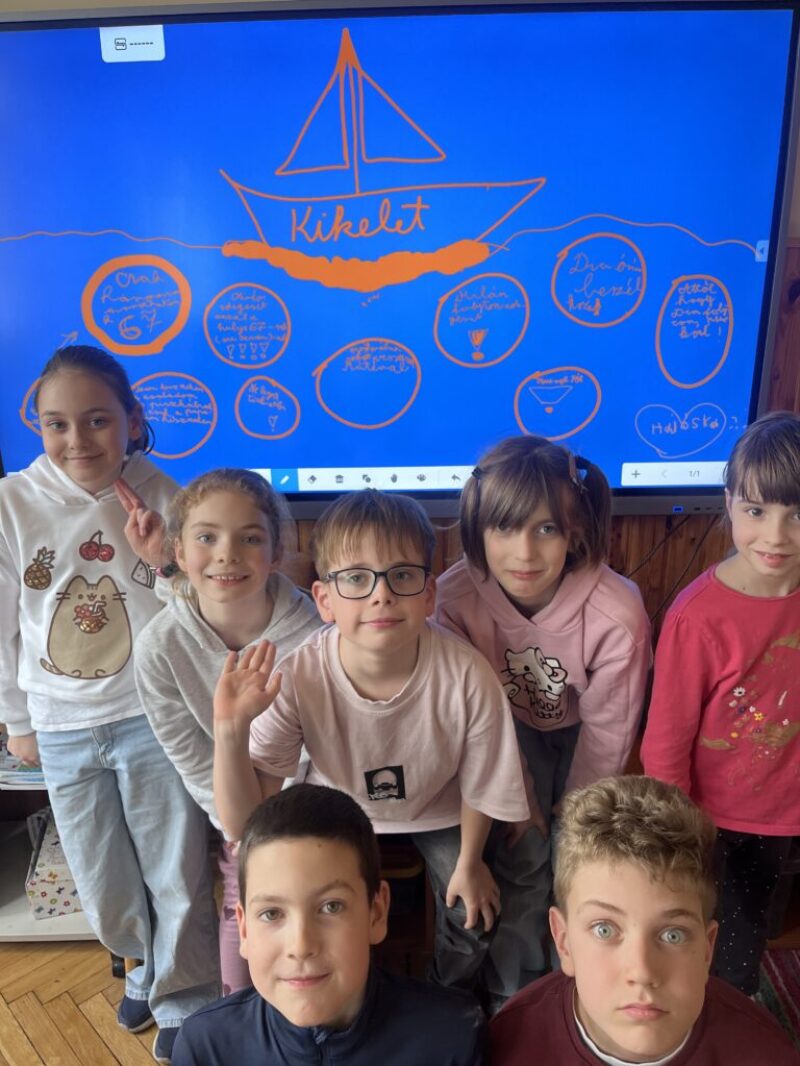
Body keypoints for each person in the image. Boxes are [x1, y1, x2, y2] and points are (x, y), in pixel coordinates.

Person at [213, 489, 539, 1012]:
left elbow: (483, 781)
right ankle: (338, 996)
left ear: (429, 594)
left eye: (401, 576)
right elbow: (243, 825)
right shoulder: (300, 674)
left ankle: (444, 996)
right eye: (356, 578)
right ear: (324, 600)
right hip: (335, 809)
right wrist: (230, 732)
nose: (381, 595)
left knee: (472, 911)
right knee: (311, 904)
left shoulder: (466, 674)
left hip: (440, 808)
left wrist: (471, 861)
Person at [0, 345, 220, 1064]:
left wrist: (164, 559)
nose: (78, 440)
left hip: (153, 716)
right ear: (38, 425)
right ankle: (141, 962)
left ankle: (185, 994)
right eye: (57, 424)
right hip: (60, 724)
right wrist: (17, 721)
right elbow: (3, 626)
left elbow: (199, 611)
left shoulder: (166, 496)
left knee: (174, 866)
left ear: (132, 419)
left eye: (97, 420)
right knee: (101, 877)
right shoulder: (12, 502)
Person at [436, 436, 651, 980]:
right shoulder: (453, 600)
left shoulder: (616, 613)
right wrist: (523, 801)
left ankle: (575, 982)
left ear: (575, 530)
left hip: (585, 735)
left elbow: (610, 727)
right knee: (524, 853)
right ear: (476, 528)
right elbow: (478, 717)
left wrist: (575, 810)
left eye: (546, 529)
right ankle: (516, 990)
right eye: (504, 528)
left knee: (577, 856)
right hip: (502, 733)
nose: (525, 553)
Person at [134, 468, 320, 995]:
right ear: (178, 549)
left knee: (315, 904)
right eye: (207, 537)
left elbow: (320, 747)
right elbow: (190, 757)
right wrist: (242, 828)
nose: (227, 555)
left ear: (276, 552)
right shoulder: (159, 648)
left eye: (250, 539)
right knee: (249, 901)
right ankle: (238, 1010)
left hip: (309, 803)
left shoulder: (313, 636)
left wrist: (283, 820)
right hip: (236, 812)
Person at [641, 411, 800, 997]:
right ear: (729, 502)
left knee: (748, 938)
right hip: (711, 823)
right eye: (756, 511)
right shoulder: (697, 615)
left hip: (784, 813)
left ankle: (736, 1010)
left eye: (797, 514)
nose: (776, 536)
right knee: (699, 939)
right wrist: (677, 831)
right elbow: (666, 741)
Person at [490, 774, 800, 1065]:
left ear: (707, 949)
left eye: (673, 934)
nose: (642, 972)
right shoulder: (510, 1044)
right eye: (604, 929)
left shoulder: (765, 1054)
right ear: (564, 942)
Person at [172, 783, 487, 1065]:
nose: (301, 946)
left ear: (376, 913)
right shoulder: (207, 1048)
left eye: (331, 907)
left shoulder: (451, 1038)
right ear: (243, 929)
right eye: (271, 913)